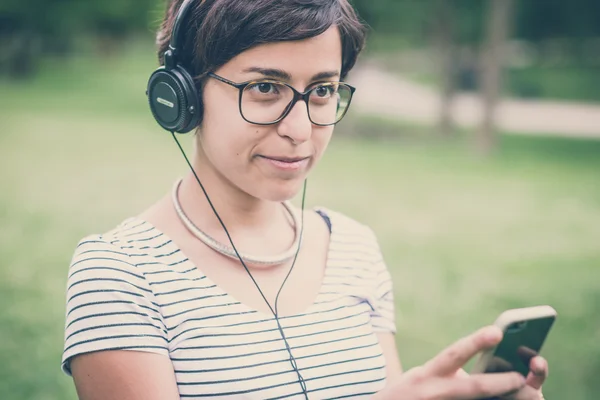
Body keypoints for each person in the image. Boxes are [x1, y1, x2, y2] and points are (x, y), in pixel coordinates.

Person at [61, 0, 549, 399]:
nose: (300, 130)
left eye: (322, 91)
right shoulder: (119, 274)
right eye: (266, 88)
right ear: (183, 94)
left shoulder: (354, 248)